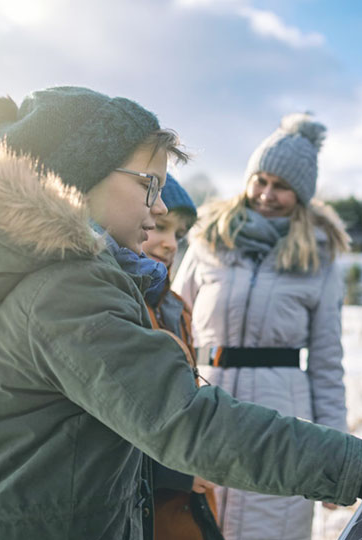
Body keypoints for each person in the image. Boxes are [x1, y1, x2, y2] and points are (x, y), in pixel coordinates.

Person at [0, 86, 362, 540]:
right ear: (79, 176)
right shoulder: (62, 288)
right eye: (148, 184)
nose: (157, 209)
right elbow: (187, 421)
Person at [170, 113, 346, 540]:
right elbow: (172, 329)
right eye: (260, 180)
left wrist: (337, 458)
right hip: (206, 407)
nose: (266, 194)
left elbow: (326, 363)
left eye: (281, 186)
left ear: (300, 195)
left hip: (282, 417)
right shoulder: (207, 240)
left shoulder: (319, 259)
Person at [141, 176, 222, 540]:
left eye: (179, 233)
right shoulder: (113, 308)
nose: (170, 244)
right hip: (149, 509)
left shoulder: (176, 308)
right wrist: (176, 472)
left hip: (190, 506)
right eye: (159, 227)